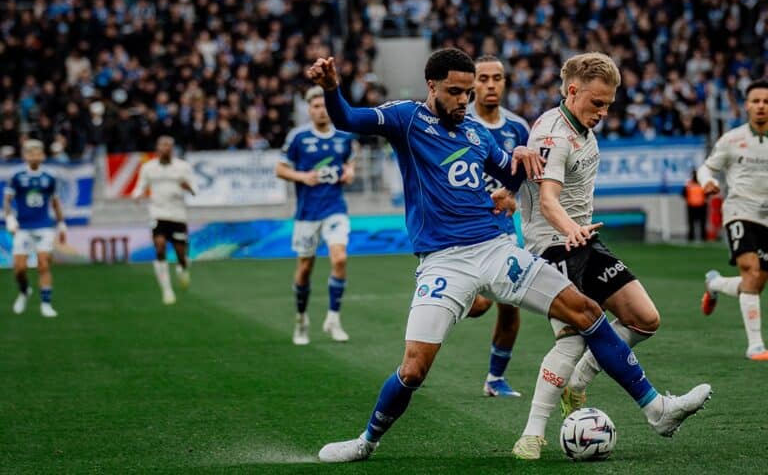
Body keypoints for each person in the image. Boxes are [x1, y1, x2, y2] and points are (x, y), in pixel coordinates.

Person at [306, 49, 711, 464]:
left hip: (496, 249)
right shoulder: (406, 119)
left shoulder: (475, 133)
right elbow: (347, 119)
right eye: (455, 92)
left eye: (467, 93)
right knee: (412, 370)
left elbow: (509, 178)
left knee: (587, 312)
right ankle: (366, 441)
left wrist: (517, 160)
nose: (464, 101)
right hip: (443, 261)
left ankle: (656, 409)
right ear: (432, 86)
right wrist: (332, 87)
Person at [508, 52, 666, 460]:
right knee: (571, 339)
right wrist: (571, 229)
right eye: (597, 103)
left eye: (609, 105)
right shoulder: (552, 135)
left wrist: (579, 231)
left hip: (583, 240)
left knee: (645, 319)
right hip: (555, 245)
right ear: (573, 90)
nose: (603, 112)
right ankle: (533, 433)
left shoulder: (580, 127)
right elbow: (547, 201)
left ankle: (578, 382)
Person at [465, 55, 530, 398]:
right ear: (472, 83)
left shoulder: (518, 129)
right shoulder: (460, 123)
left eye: (498, 78)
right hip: (464, 232)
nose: (491, 85)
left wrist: (515, 197)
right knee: (477, 306)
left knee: (510, 303)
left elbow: (528, 177)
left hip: (504, 232)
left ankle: (494, 379)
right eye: (483, 78)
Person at [276, 86, 356, 345]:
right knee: (305, 268)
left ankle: (333, 318)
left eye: (325, 106)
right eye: (316, 107)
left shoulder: (343, 137)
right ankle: (301, 319)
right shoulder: (298, 138)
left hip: (335, 209)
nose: (321, 111)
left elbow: (350, 162)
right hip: (307, 214)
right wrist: (302, 177)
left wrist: (350, 172)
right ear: (309, 110)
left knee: (340, 259)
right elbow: (280, 169)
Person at [698, 78, 768, 360]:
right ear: (746, 106)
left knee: (756, 282)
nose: (761, 106)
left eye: (766, 101)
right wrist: (707, 183)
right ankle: (755, 345)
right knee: (751, 271)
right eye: (756, 101)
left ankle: (714, 284)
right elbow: (706, 167)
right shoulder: (732, 139)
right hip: (740, 211)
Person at [4, 139, 66, 318]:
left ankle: (46, 304)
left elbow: (55, 202)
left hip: (44, 226)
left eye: (37, 152)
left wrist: (61, 224)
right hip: (23, 227)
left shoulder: (49, 177)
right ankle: (24, 291)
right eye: (30, 153)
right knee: (19, 268)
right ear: (24, 155)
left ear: (43, 155)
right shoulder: (17, 177)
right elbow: (8, 200)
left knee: (44, 264)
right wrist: (9, 218)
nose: (34, 156)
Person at [132, 136, 197, 305]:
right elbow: (140, 186)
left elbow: (195, 189)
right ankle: (167, 290)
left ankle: (182, 268)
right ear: (157, 148)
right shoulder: (148, 168)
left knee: (180, 253)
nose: (165, 148)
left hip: (177, 215)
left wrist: (188, 187)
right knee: (159, 247)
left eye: (168, 145)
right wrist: (137, 195)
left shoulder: (182, 167)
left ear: (172, 149)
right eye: (162, 145)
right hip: (158, 213)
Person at [682, 169, 707, 242]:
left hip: (699, 205)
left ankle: (701, 237)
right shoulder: (690, 184)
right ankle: (692, 237)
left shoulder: (700, 183)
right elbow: (683, 193)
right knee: (692, 224)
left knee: (700, 223)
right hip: (694, 205)